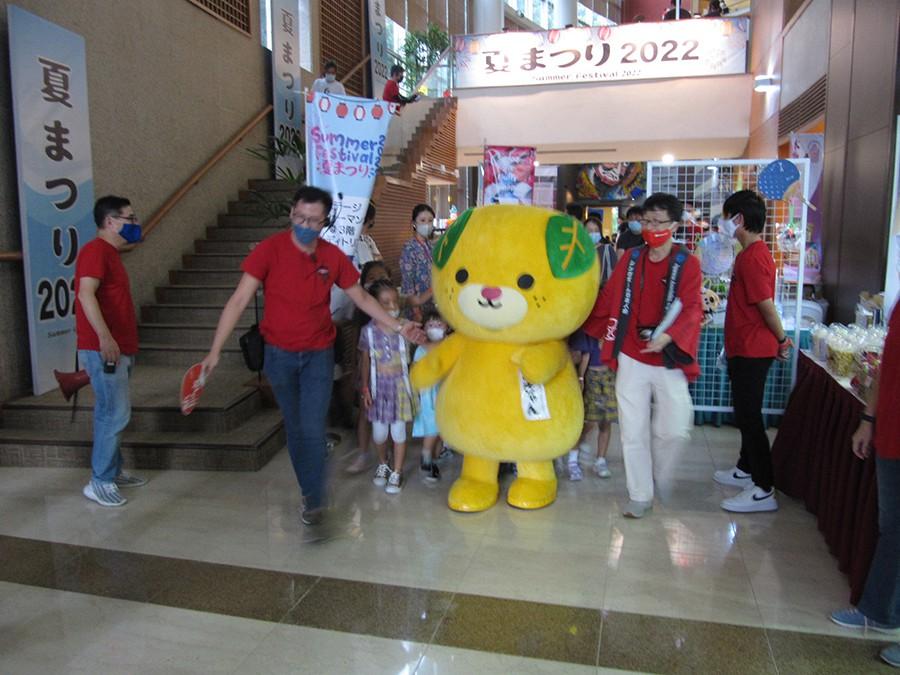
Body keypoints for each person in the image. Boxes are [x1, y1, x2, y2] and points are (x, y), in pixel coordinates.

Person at [200, 187, 423, 526]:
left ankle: (315, 501)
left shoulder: (331, 256)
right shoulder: (269, 250)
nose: (305, 225)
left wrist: (399, 326)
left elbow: (362, 298)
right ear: (292, 213)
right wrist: (214, 351)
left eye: (313, 221)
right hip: (279, 356)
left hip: (318, 354)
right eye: (300, 217)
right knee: (296, 427)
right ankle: (310, 491)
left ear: (324, 222)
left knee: (313, 426)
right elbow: (239, 300)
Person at [583, 193, 704, 519]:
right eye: (646, 221)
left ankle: (658, 473)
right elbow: (610, 295)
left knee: (674, 428)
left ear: (674, 225)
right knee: (632, 430)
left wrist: (669, 335)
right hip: (632, 354)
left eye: (657, 222)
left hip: (667, 357)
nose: (650, 228)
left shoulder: (687, 263)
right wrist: (586, 320)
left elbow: (693, 307)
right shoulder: (632, 258)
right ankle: (640, 494)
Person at [830, 270, 900, 668]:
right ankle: (880, 610)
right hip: (891, 432)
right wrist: (869, 420)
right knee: (892, 528)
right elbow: (886, 367)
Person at [713, 190, 792, 513]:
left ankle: (763, 487)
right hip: (742, 346)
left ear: (739, 219)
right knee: (744, 413)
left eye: (726, 217)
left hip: (753, 349)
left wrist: (782, 339)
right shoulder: (747, 254)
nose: (722, 223)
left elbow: (765, 305)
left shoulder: (754, 257)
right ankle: (745, 468)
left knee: (750, 416)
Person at [75, 196, 147, 507]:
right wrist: (104, 337)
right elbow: (85, 294)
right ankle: (100, 481)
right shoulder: (95, 251)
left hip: (120, 347)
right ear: (110, 222)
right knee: (114, 413)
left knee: (112, 411)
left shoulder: (111, 254)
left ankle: (112, 471)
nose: (135, 223)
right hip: (104, 349)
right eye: (130, 218)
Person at [567, 216, 618, 481]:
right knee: (587, 420)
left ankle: (599, 459)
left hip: (608, 375)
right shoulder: (574, 255)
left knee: (605, 420)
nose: (592, 234)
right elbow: (584, 353)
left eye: (595, 230)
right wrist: (580, 377)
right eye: (588, 230)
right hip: (592, 375)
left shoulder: (607, 253)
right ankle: (573, 456)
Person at [360, 280, 417, 494]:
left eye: (395, 301)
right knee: (380, 434)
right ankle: (383, 463)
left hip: (400, 387)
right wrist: (365, 388)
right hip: (378, 389)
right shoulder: (368, 331)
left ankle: (397, 471)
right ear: (373, 305)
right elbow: (365, 361)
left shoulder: (405, 327)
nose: (393, 306)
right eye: (385, 302)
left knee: (399, 432)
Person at [345, 260, 393, 475]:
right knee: (365, 413)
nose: (376, 282)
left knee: (390, 414)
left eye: (382, 277)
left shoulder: (394, 306)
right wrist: (353, 367)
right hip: (367, 371)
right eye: (371, 278)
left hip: (390, 373)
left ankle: (387, 454)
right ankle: (363, 453)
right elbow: (355, 338)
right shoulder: (361, 309)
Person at [413, 310, 449, 483]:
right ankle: (426, 457)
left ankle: (435, 456)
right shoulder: (421, 349)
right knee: (432, 428)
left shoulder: (450, 345)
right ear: (424, 328)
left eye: (439, 324)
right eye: (431, 325)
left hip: (446, 393)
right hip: (429, 395)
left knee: (442, 429)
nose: (435, 328)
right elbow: (415, 370)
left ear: (446, 326)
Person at [399, 204, 436, 323]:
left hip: (432, 302)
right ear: (414, 223)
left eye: (430, 220)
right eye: (423, 220)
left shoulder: (430, 246)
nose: (427, 224)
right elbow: (407, 282)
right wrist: (416, 311)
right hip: (417, 306)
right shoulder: (409, 248)